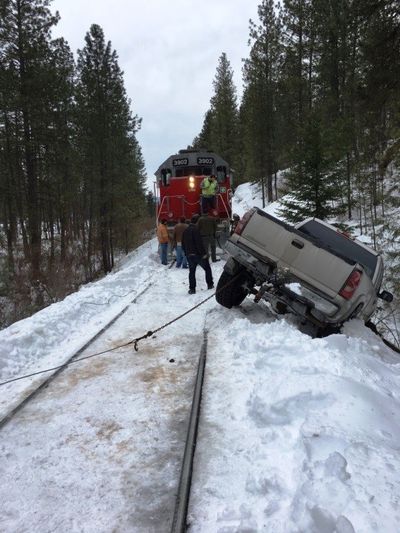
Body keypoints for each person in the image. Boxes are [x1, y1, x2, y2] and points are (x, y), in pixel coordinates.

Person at [182, 214, 214, 294]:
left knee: (192, 272)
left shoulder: (185, 231)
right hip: (198, 255)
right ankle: (210, 284)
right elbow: (199, 243)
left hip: (189, 255)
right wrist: (203, 254)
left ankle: (192, 289)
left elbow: (183, 243)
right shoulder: (196, 230)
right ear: (197, 222)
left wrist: (186, 253)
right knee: (207, 269)